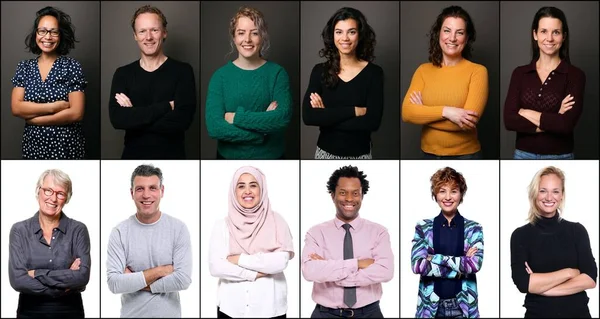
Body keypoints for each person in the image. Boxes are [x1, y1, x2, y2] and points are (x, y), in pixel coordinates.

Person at [302, 165, 394, 318]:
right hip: (326, 314)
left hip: (369, 313)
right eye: (343, 193)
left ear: (362, 196)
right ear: (333, 195)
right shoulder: (316, 233)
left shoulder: (379, 232)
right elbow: (310, 271)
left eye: (355, 193)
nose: (349, 199)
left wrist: (331, 270)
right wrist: (357, 264)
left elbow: (386, 271)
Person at [108, 5, 197, 159]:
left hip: (172, 159)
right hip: (132, 159)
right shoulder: (123, 74)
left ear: (164, 33)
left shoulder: (183, 71)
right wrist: (166, 106)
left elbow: (183, 121)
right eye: (142, 31)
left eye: (154, 30)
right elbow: (117, 119)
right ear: (135, 35)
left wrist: (134, 113)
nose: (148, 37)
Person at [205, 7, 292, 159]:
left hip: (272, 159)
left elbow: (282, 117)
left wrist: (236, 118)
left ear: (262, 36)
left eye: (254, 32)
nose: (247, 39)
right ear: (234, 37)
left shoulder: (277, 73)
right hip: (227, 160)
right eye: (241, 33)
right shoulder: (220, 77)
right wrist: (261, 131)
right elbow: (215, 128)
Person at [402, 6, 488, 159]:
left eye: (459, 32)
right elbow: (407, 113)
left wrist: (424, 113)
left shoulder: (478, 71)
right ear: (438, 34)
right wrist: (447, 112)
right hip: (427, 154)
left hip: (466, 157)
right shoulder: (423, 70)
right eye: (447, 30)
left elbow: (468, 123)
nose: (452, 38)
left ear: (467, 38)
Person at [106, 164, 192, 318]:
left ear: (162, 191)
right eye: (140, 189)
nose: (146, 195)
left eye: (152, 188)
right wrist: (161, 271)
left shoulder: (178, 229)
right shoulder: (119, 232)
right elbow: (114, 283)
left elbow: (183, 280)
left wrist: (134, 280)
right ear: (132, 193)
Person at [510, 166, 597, 317]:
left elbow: (590, 278)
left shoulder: (577, 231)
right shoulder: (520, 235)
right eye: (543, 190)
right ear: (534, 193)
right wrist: (569, 272)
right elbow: (523, 283)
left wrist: (541, 287)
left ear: (562, 195)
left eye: (555, 191)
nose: (549, 197)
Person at [208, 166, 294, 318]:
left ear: (262, 189)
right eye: (241, 186)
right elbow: (216, 267)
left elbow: (280, 262)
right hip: (230, 310)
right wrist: (256, 273)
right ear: (234, 192)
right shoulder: (222, 225)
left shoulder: (277, 221)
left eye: (253, 185)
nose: (247, 191)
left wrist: (239, 259)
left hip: (271, 310)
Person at [503, 7, 585, 160]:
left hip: (561, 156)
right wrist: (555, 118)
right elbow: (509, 120)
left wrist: (527, 113)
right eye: (544, 31)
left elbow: (566, 125)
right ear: (535, 34)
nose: (549, 38)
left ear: (564, 36)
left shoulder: (575, 75)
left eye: (556, 32)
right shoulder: (520, 73)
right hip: (522, 155)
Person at [302, 7, 384, 159]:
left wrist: (326, 115)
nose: (344, 38)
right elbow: (308, 116)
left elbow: (373, 122)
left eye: (351, 32)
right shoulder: (320, 70)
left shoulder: (374, 73)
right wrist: (354, 111)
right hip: (324, 154)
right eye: (339, 32)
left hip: (361, 155)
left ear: (360, 35)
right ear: (332, 35)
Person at [8, 169, 91, 317]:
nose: (53, 198)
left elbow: (82, 277)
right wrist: (62, 286)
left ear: (66, 198)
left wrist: (36, 273)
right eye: (48, 191)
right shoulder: (19, 230)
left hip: (69, 312)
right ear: (38, 191)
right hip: (30, 313)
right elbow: (17, 280)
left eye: (60, 194)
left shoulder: (78, 230)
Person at [11, 6, 87, 159]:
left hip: (66, 146)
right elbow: (17, 107)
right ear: (35, 34)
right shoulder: (24, 67)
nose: (48, 37)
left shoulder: (72, 66)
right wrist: (54, 106)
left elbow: (76, 113)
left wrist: (37, 120)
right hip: (33, 145)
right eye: (42, 31)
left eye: (54, 31)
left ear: (61, 35)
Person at [411, 167, 484, 318]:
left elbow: (475, 265)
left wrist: (436, 258)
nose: (448, 197)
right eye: (442, 191)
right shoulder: (423, 227)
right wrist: (460, 267)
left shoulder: (473, 228)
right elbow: (418, 266)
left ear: (461, 194)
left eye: (454, 191)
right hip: (430, 308)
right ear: (435, 194)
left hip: (463, 307)